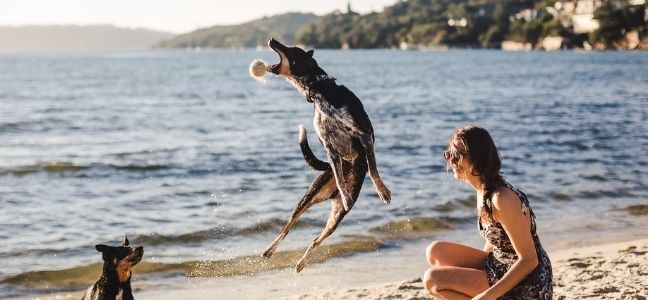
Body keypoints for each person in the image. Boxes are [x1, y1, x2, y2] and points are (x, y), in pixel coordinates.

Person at [423, 125, 552, 300]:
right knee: (436, 252)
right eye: (449, 154)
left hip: (528, 282)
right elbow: (497, 239)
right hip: (500, 264)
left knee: (433, 279)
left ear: (478, 158)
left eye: (458, 155)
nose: (452, 161)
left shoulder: (501, 199)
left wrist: (486, 296)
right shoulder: (484, 189)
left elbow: (530, 260)